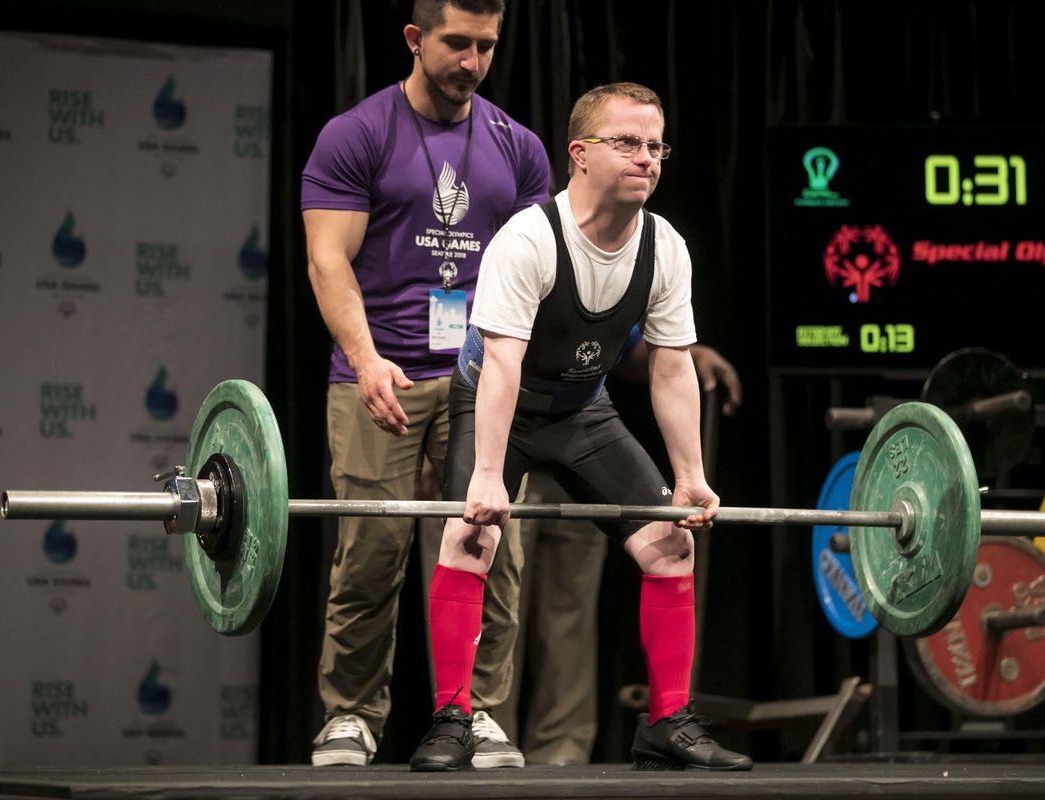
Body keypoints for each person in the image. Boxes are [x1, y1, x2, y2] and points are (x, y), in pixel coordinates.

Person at [409, 81, 753, 772]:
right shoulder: (528, 239)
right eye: (627, 142)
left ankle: (665, 724)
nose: (646, 157)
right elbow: (500, 368)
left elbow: (670, 367)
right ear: (580, 154)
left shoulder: (666, 248)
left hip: (580, 412)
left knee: (670, 545)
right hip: (496, 403)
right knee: (468, 537)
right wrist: (484, 476)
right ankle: (453, 718)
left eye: (656, 145)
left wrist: (690, 476)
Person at [300, 0, 548, 768]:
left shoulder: (519, 148)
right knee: (371, 553)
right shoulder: (358, 134)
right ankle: (350, 715)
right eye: (456, 43)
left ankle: (474, 712)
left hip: (483, 379)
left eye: (486, 46)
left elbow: (539, 275)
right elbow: (328, 260)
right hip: (381, 372)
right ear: (414, 38)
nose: (472, 61)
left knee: (490, 549)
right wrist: (369, 359)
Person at [494, 341, 742, 766]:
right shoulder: (505, 273)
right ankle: (492, 742)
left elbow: (623, 351)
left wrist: (685, 354)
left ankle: (562, 756)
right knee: (500, 604)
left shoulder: (615, 276)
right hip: (505, 437)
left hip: (579, 442)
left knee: (570, 614)